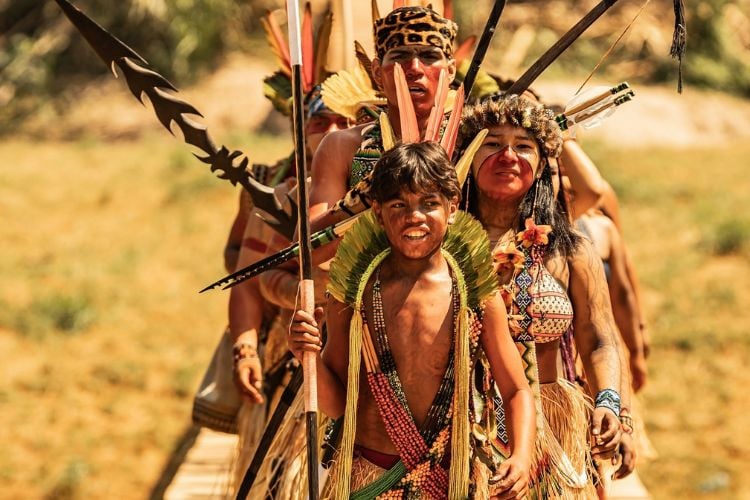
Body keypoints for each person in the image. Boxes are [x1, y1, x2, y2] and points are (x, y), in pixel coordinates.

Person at [289, 141, 536, 498]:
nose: (414, 217)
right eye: (398, 205)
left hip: (451, 480)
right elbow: (338, 404)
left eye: (429, 203)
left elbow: (515, 389)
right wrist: (307, 356)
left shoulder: (477, 296)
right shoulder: (355, 295)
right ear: (376, 212)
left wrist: (521, 455)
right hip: (368, 476)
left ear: (452, 208)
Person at [460, 93, 624, 498]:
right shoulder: (437, 245)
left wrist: (608, 400)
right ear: (466, 157)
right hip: (457, 429)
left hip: (548, 428)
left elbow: (599, 336)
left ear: (542, 163)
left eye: (524, 146)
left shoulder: (569, 249)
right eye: (492, 143)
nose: (509, 155)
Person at [308, 5, 459, 248]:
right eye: (400, 57)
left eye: (429, 56)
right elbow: (303, 252)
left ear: (450, 71)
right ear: (377, 72)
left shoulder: (473, 140)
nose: (415, 69)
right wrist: (368, 194)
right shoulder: (343, 147)